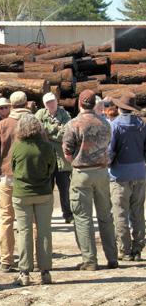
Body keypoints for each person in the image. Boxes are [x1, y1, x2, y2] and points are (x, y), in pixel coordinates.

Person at [62, 89, 118, 271]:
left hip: (82, 174)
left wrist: (77, 162)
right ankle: (112, 257)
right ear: (94, 104)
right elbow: (108, 145)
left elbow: (67, 152)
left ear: (79, 103)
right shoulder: (104, 123)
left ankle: (90, 260)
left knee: (83, 218)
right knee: (106, 216)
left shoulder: (73, 124)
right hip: (102, 173)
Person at [0, 91, 31, 272]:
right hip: (29, 178)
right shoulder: (33, 122)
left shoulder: (2, 125)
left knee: (5, 219)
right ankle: (30, 259)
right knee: (29, 220)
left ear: (12, 106)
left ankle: (6, 260)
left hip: (7, 177)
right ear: (26, 104)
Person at [11, 114, 56, 286]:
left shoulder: (17, 147)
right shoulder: (47, 147)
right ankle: (45, 272)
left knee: (24, 232)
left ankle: (24, 273)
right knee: (44, 232)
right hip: (44, 193)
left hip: (21, 194)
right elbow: (52, 168)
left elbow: (14, 168)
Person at [108, 92, 146, 261]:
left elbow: (110, 151)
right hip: (139, 171)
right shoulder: (141, 124)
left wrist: (109, 165)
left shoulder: (115, 125)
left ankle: (125, 249)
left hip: (120, 174)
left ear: (119, 108)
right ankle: (138, 248)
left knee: (120, 212)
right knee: (138, 211)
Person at [35, 93, 73, 223]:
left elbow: (66, 133)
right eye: (47, 102)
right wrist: (56, 129)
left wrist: (49, 134)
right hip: (46, 159)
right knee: (47, 189)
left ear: (57, 101)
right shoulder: (40, 114)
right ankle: (46, 215)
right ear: (44, 104)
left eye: (52, 101)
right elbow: (38, 131)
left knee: (65, 189)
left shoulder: (65, 114)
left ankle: (68, 215)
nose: (50, 104)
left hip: (62, 160)